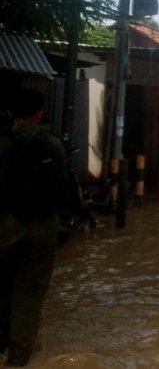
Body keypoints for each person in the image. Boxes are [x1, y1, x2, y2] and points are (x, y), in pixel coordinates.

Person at [0, 89, 66, 366]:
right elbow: (62, 185)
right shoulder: (54, 145)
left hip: (5, 224)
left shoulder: (2, 145)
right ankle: (20, 353)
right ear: (39, 113)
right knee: (30, 289)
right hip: (44, 226)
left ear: (9, 113)